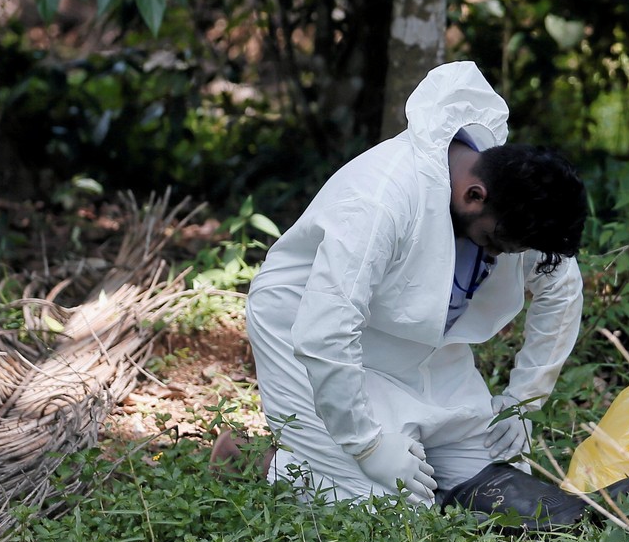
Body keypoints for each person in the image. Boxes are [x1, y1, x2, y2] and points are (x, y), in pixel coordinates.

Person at [217, 61, 587, 507]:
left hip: (415, 343)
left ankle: (397, 443)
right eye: (497, 243)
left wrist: (523, 401)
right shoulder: (382, 198)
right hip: (305, 329)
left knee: (506, 492)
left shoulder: (513, 197)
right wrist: (367, 446)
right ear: (474, 196)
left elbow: (561, 289)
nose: (502, 256)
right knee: (385, 507)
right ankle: (249, 457)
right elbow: (326, 332)